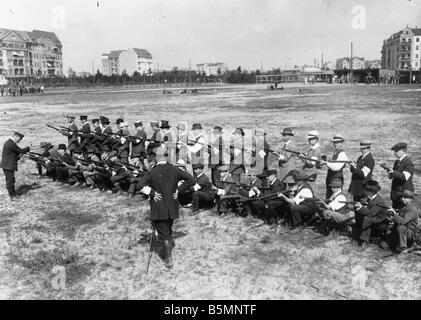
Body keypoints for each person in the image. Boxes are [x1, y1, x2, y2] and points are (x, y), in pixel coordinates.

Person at [139, 148, 195, 269]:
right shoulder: (175, 170)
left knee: (164, 233)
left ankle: (168, 260)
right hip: (172, 207)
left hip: (159, 207)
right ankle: (166, 249)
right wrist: (178, 190)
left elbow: (140, 185)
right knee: (167, 229)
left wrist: (152, 193)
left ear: (157, 158)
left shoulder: (152, 172)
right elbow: (191, 180)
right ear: (166, 157)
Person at [354, 180, 390, 249]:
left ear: (371, 192)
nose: (364, 191)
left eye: (366, 190)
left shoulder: (380, 200)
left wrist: (361, 207)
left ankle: (364, 241)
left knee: (367, 219)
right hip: (374, 217)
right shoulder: (368, 197)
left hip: (380, 220)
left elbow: (370, 214)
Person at [0, 132, 31, 200]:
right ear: (16, 136)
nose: (19, 141)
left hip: (7, 165)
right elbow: (21, 150)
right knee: (10, 181)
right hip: (8, 166)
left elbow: (13, 154)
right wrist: (28, 147)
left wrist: (19, 157)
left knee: (11, 180)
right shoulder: (11, 144)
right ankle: (13, 197)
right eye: (19, 139)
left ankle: (14, 195)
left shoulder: (9, 143)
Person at [383, 143, 414, 209]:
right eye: (394, 151)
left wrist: (393, 172)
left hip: (404, 195)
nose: (394, 153)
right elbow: (395, 174)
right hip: (396, 194)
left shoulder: (408, 162)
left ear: (403, 150)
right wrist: (390, 174)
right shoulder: (397, 162)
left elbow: (404, 177)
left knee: (402, 215)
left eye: (396, 151)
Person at [320, 134, 348, 199]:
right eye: (335, 143)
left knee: (335, 198)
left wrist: (326, 163)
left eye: (337, 142)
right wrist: (326, 160)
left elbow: (336, 167)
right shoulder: (335, 153)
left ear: (341, 143)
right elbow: (333, 165)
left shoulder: (342, 154)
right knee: (330, 197)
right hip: (331, 178)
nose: (335, 144)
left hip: (337, 179)